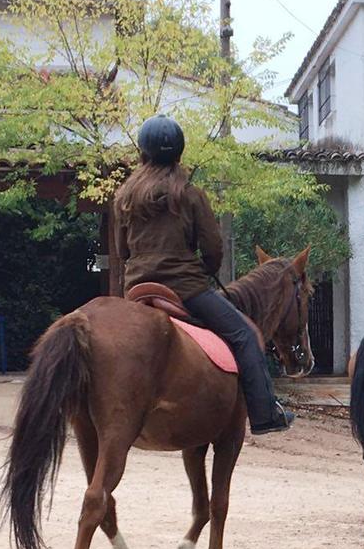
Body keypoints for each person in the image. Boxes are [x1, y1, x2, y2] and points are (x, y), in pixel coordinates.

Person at [114, 114, 293, 435]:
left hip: (137, 288)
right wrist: (207, 271)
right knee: (247, 335)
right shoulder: (191, 195)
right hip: (185, 289)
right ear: (179, 155)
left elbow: (121, 251)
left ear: (142, 154)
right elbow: (212, 249)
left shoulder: (125, 197)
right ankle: (266, 414)